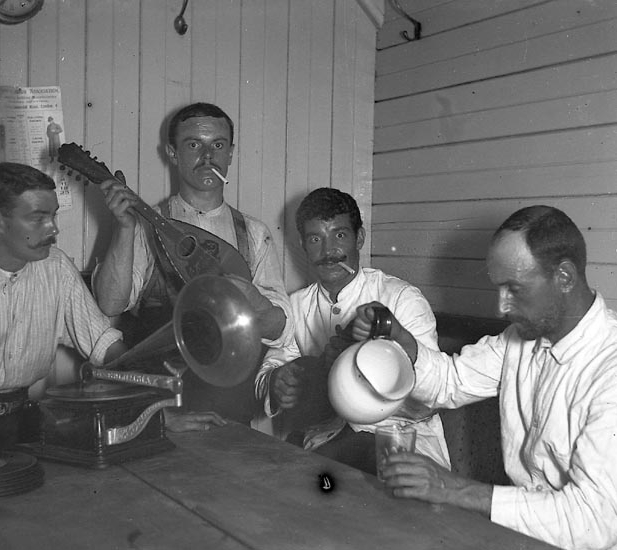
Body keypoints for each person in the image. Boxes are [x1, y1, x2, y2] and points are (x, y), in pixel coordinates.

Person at [353, 205, 617, 550]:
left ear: (564, 277)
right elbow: (450, 382)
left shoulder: (609, 369)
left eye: (514, 289)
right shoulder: (521, 340)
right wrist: (402, 340)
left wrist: (454, 488)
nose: (501, 307)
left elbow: (595, 521)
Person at [0, 162, 223, 452]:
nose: (53, 229)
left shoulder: (56, 267)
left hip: (18, 424)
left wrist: (157, 413)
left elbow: (106, 349)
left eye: (53, 216)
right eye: (38, 218)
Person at [93, 102, 294, 425]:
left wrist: (253, 301)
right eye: (193, 145)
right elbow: (111, 304)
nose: (208, 156)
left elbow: (280, 331)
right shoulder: (146, 225)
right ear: (172, 153)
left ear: (231, 153)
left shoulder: (254, 233)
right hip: (161, 407)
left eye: (218, 145)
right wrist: (124, 228)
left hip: (231, 405)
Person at [256, 187, 450, 473]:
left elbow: (430, 397)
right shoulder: (294, 306)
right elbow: (268, 371)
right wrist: (276, 381)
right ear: (302, 245)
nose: (329, 252)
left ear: (359, 238)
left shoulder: (402, 298)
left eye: (340, 235)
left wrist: (364, 365)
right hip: (327, 440)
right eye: (315, 239)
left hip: (403, 442)